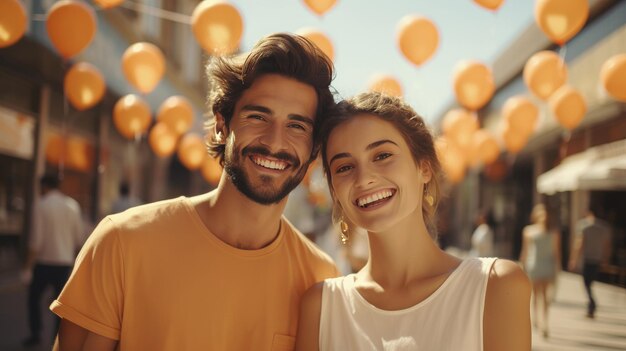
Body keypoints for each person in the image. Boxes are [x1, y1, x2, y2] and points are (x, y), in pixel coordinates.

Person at [50, 33, 339, 350]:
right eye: (258, 116)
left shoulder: (320, 279)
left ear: (313, 148)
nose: (274, 141)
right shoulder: (123, 241)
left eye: (297, 125)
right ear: (222, 124)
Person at [296, 92, 531, 351]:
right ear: (334, 192)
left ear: (424, 167)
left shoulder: (496, 287)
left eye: (382, 155)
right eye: (344, 167)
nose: (364, 179)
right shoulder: (321, 307)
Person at [22, 174, 84, 347]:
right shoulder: (72, 206)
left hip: (43, 262)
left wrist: (27, 267)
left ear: (44, 186)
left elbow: (36, 240)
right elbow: (79, 239)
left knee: (34, 299)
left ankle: (36, 334)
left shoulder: (41, 205)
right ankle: (58, 340)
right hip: (64, 263)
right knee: (62, 306)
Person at [519, 203, 561, 338]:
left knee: (545, 296)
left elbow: (556, 252)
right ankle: (536, 319)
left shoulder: (553, 232)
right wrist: (521, 267)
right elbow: (525, 251)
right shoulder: (528, 231)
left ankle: (545, 323)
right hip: (534, 265)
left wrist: (558, 269)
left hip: (547, 265)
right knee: (535, 295)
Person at [568, 206, 612, 319]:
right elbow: (607, 245)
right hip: (597, 258)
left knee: (587, 283)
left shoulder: (583, 226)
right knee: (590, 282)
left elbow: (579, 244)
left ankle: (592, 304)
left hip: (588, 258)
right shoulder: (605, 227)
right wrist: (605, 259)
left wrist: (574, 259)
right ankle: (591, 305)